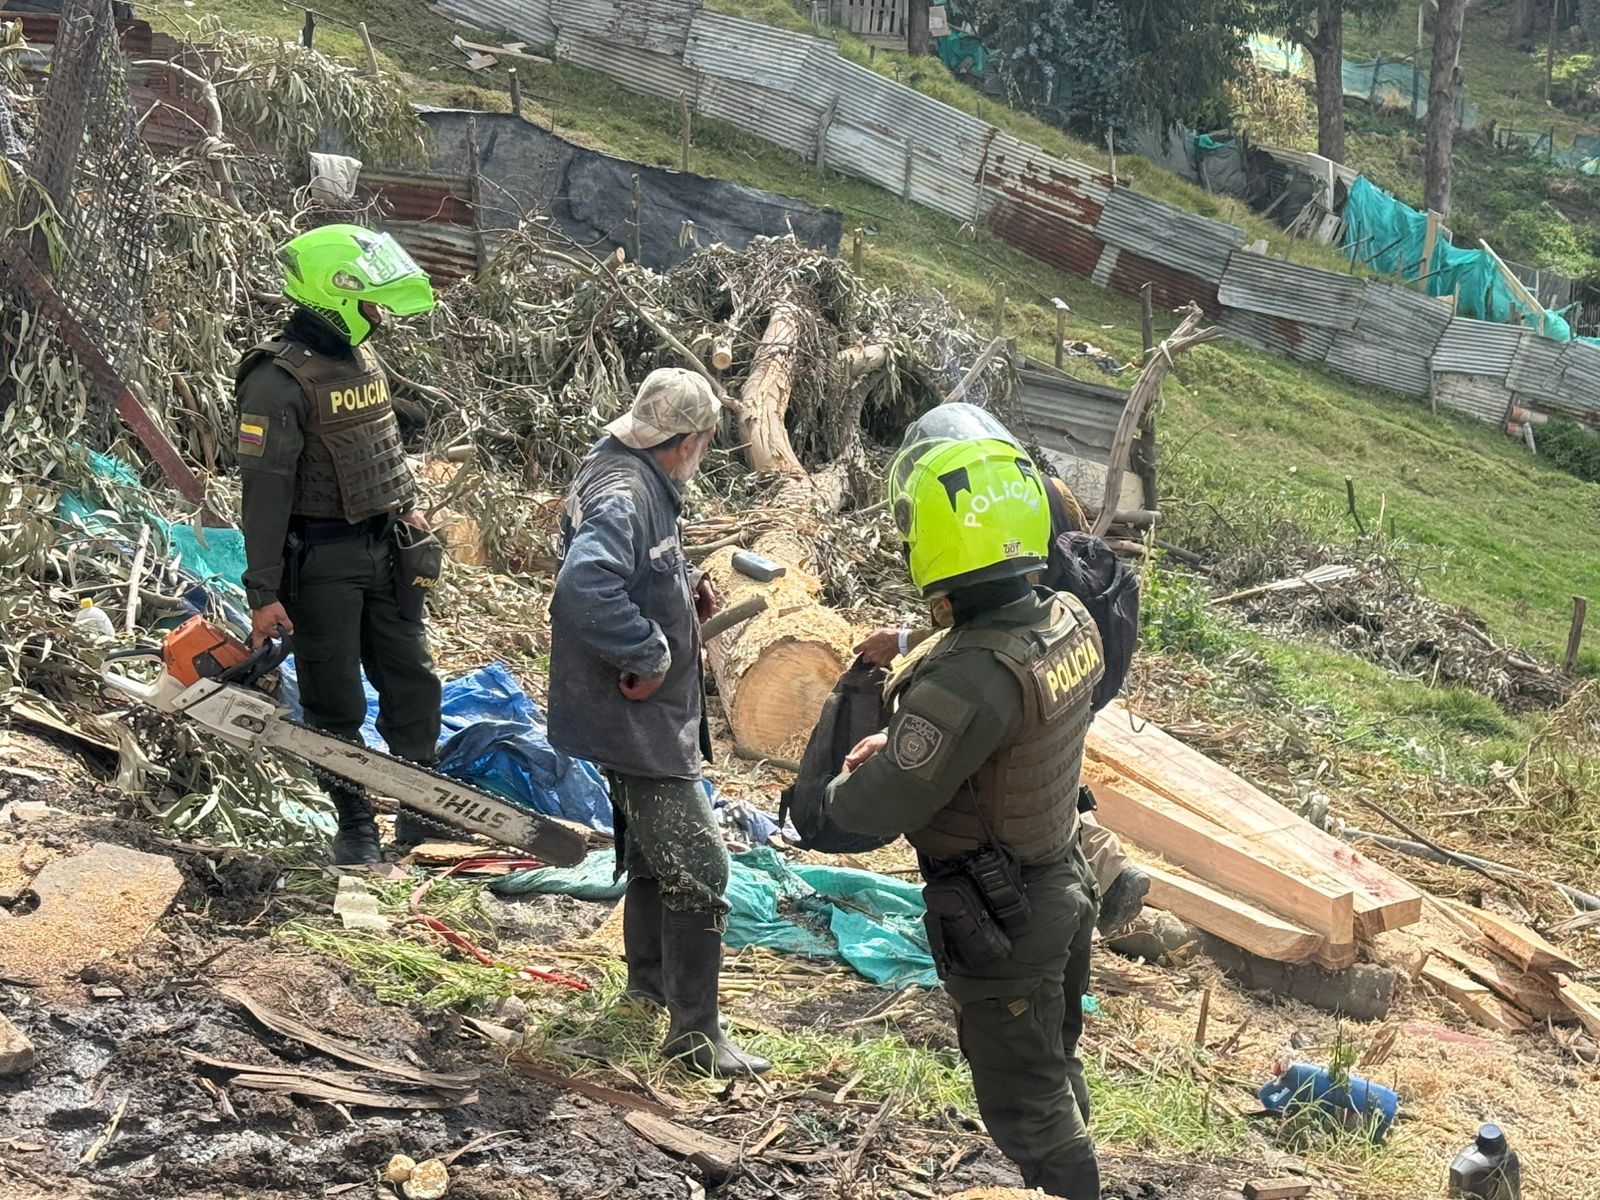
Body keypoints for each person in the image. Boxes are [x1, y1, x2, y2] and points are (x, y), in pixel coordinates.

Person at [821, 412, 1104, 1199]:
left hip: (1004, 911)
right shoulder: (1065, 619)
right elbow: (1006, 743)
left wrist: (842, 786)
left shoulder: (968, 678)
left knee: (1028, 1102)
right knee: (1052, 1063)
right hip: (1059, 877)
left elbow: (869, 808)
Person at [546, 367, 769, 1078]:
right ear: (691, 442)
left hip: (638, 714)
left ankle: (647, 991)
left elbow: (632, 565)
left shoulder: (621, 467)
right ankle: (696, 1036)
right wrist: (648, 649)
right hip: (632, 716)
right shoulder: (629, 492)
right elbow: (584, 584)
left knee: (651, 855)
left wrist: (681, 585)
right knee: (702, 870)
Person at [854, 410, 1148, 934]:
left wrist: (903, 644)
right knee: (1051, 767)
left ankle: (1105, 870)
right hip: (1070, 653)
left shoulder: (986, 523)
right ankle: (1104, 872)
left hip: (1031, 664)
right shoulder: (1036, 493)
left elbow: (986, 627)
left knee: (1020, 776)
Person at [235, 224, 444, 866]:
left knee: (412, 679)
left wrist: (409, 514)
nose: (380, 314)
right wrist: (263, 592)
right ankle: (355, 825)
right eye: (372, 300)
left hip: (385, 546)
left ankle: (420, 811)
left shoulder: (359, 354)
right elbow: (263, 495)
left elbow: (374, 440)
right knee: (335, 699)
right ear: (339, 292)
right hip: (319, 558)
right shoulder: (274, 384)